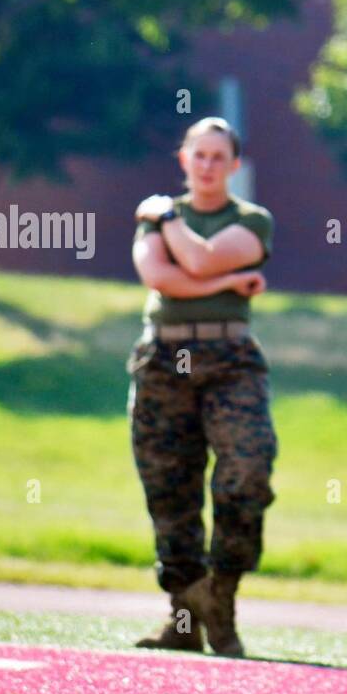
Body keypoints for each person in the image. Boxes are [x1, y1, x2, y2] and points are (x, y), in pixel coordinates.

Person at [129, 116, 277, 658]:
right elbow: (159, 279)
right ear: (183, 159)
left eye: (220, 157)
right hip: (164, 356)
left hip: (229, 358)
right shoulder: (157, 221)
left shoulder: (251, 220)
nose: (209, 165)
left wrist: (168, 219)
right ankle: (185, 616)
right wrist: (229, 283)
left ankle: (221, 597)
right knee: (169, 484)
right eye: (199, 155)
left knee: (247, 469)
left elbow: (195, 259)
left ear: (235, 166)